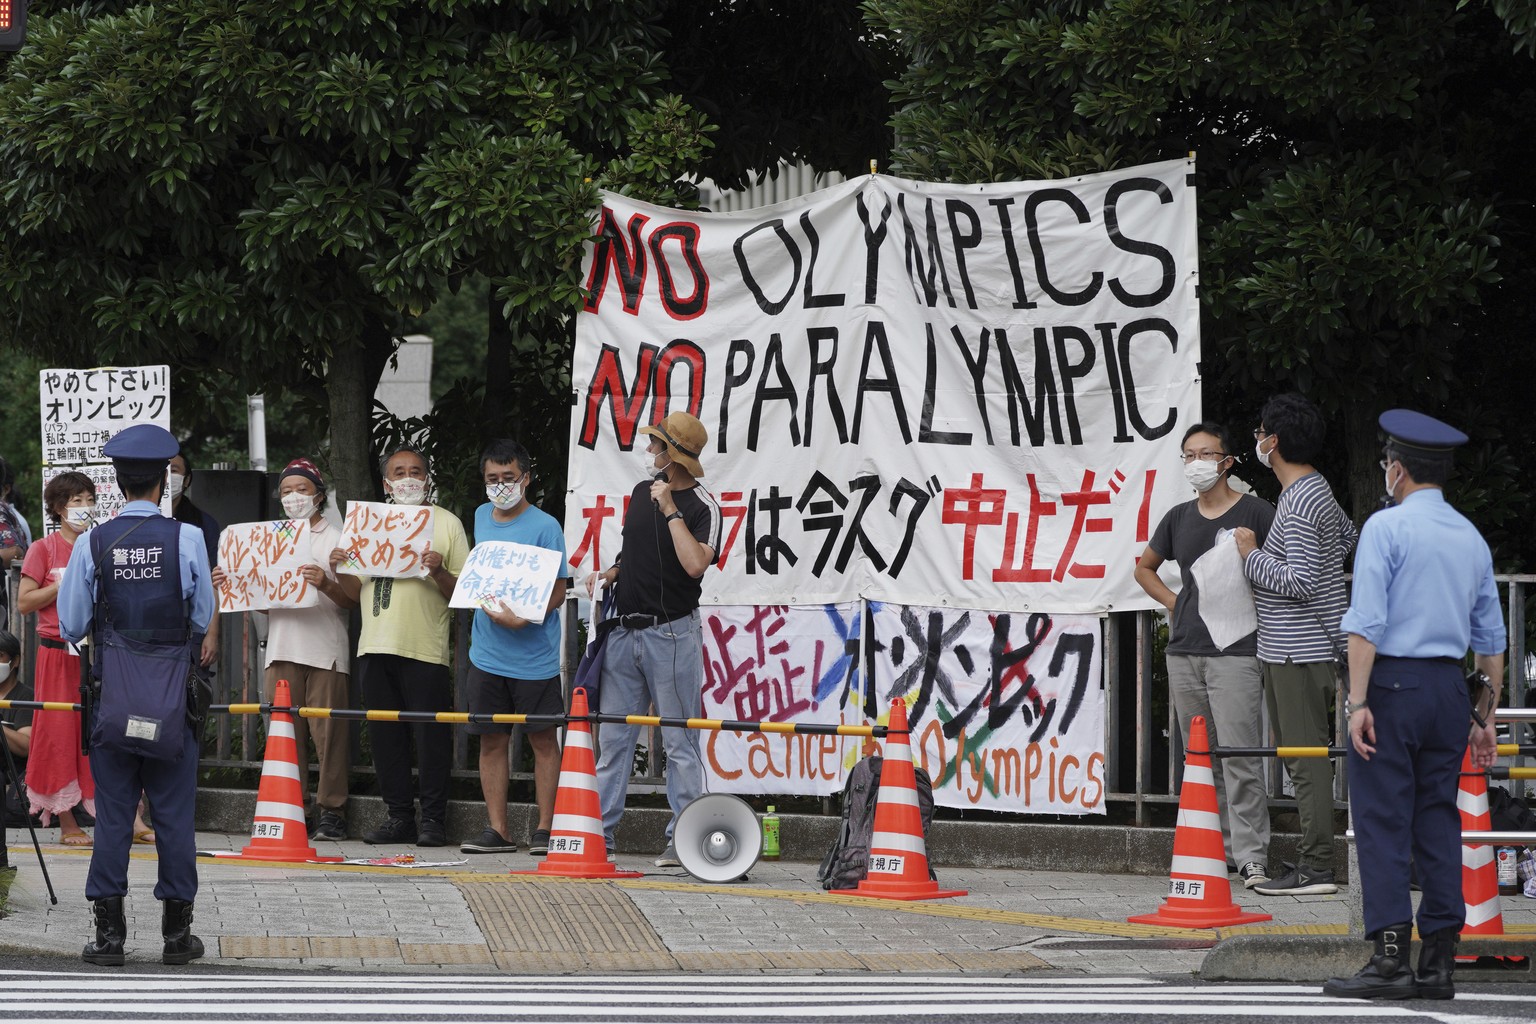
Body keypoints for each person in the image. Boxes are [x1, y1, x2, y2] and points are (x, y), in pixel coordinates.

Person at [1322, 411, 1506, 1000]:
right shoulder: (1470, 537)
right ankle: (1440, 964)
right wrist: (1486, 716)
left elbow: (1366, 624)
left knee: (1380, 819)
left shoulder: (1386, 527)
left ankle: (1391, 959)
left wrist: (1357, 702)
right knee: (1437, 817)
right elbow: (1493, 639)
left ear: (1396, 470)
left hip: (1393, 684)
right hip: (1451, 690)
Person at [57, 424, 215, 966]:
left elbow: (73, 621)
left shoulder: (93, 543)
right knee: (173, 815)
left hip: (113, 700)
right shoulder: (188, 539)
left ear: (118, 481)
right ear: (163, 482)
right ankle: (177, 936)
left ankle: (109, 937)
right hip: (173, 698)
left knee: (115, 815)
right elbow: (201, 616)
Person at [1134, 423, 1275, 889]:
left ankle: (1251, 856)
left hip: (1237, 652)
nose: (1197, 463)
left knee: (1240, 757)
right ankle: (1215, 848)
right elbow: (1145, 568)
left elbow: (1279, 574)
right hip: (1184, 651)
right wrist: (1175, 603)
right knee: (1201, 758)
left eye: (1207, 454)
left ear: (1227, 461)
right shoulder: (1178, 517)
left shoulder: (1258, 512)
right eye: (1189, 455)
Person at [1234, 393, 1357, 897]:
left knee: (1304, 761)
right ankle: (1313, 862)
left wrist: (1251, 555)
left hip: (1296, 648)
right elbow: (1347, 538)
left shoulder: (1300, 498)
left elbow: (1302, 579)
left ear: (1274, 441)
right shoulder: (1315, 490)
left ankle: (1317, 869)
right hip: (1304, 645)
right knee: (1302, 757)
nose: (1257, 440)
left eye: (1260, 431)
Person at [586, 412, 722, 866]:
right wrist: (611, 572)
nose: (649, 453)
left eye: (656, 446)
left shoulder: (703, 506)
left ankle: (684, 842)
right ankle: (598, 837)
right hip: (625, 630)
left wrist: (670, 509)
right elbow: (634, 552)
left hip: (673, 633)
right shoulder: (638, 496)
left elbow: (694, 564)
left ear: (674, 455)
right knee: (613, 741)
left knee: (680, 743)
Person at [329, 445, 468, 847]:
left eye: (416, 471)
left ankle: (434, 821)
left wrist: (438, 570)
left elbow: (461, 593)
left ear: (428, 478)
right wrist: (340, 569)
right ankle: (399, 817)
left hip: (424, 647)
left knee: (430, 738)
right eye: (398, 472)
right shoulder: (368, 523)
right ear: (387, 482)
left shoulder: (447, 523)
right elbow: (354, 593)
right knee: (386, 738)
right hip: (374, 645)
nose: (408, 478)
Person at [213, 458, 357, 841]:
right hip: (280, 649)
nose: (294, 497)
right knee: (285, 736)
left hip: (326, 650)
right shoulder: (273, 539)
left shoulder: (337, 538)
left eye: (302, 490)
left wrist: (326, 583)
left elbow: (353, 600)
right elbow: (268, 600)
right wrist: (233, 584)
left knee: (329, 738)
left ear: (319, 495)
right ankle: (295, 808)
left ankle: (332, 812)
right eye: (287, 491)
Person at [17, 473, 149, 847]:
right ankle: (66, 821)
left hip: (104, 652)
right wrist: (65, 583)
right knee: (59, 732)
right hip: (58, 654)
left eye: (88, 498)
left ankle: (132, 816)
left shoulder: (104, 544)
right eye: (75, 500)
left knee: (111, 731)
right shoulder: (43, 549)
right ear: (58, 508)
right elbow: (25, 602)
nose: (83, 507)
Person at [459, 439, 569, 856]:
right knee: (490, 740)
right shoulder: (480, 516)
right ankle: (498, 829)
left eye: (509, 478)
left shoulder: (546, 526)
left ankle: (544, 828)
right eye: (492, 479)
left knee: (543, 740)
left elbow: (558, 591)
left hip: (534, 656)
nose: (501, 485)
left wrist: (525, 618)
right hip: (486, 654)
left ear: (526, 477)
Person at [168, 452, 220, 681]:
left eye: (174, 470)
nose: (167, 476)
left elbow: (214, 581)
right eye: (162, 470)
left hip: (192, 629)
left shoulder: (203, 525)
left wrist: (212, 633)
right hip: (146, 630)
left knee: (190, 698)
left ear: (187, 480)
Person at [0, 629, 34, 867]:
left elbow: (26, 746)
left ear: (15, 660)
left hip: (11, 779)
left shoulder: (25, 697)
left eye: (0, 655)